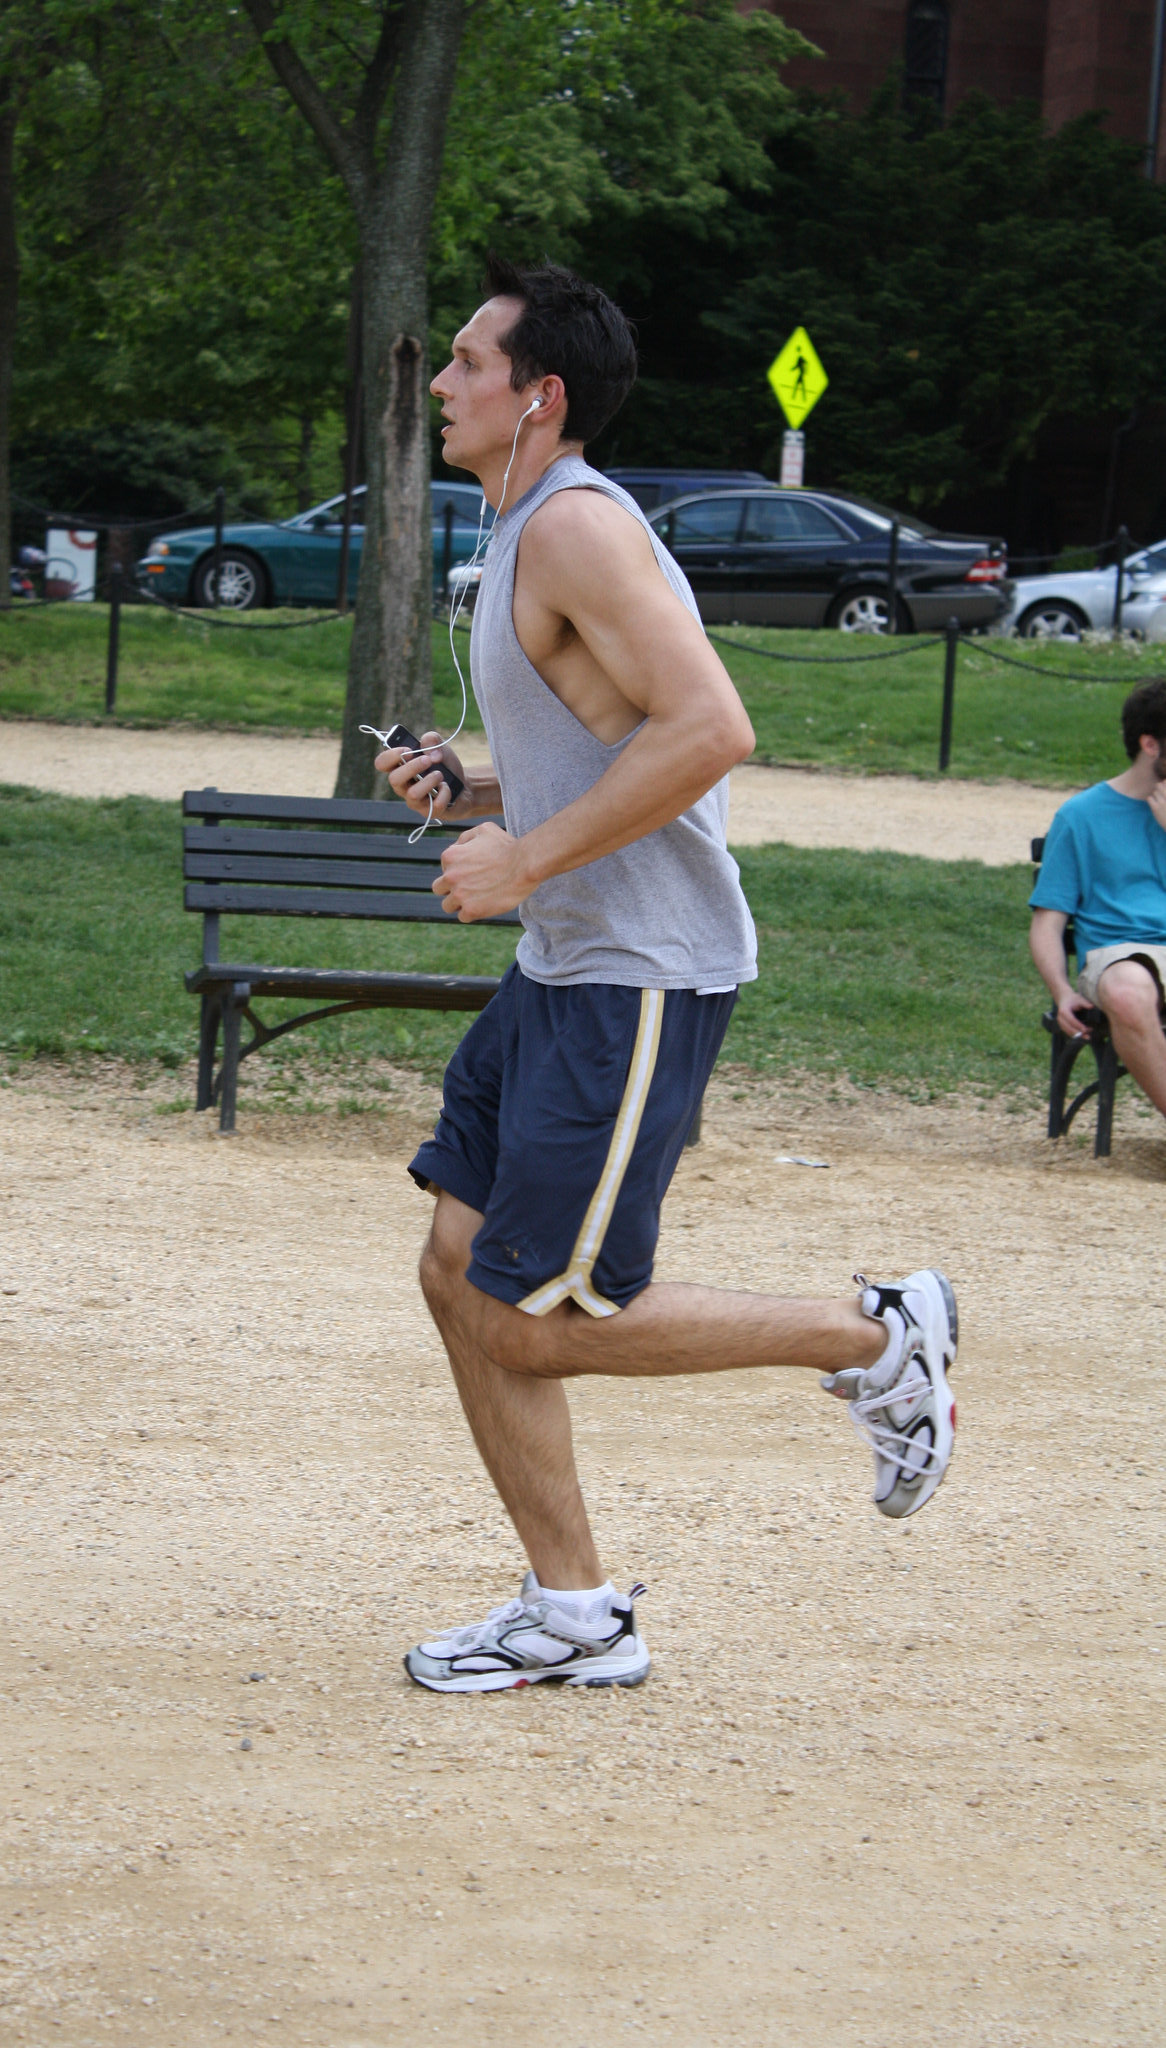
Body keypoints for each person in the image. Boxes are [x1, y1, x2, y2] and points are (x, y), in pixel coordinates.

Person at [377, 257, 957, 1695]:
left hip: (637, 972)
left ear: (538, 396)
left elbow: (709, 727)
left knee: (531, 1315)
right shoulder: (520, 531)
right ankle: (571, 1613)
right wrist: (477, 785)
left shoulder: (574, 529)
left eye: (465, 361)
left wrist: (520, 857)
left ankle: (872, 1340)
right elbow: (610, 735)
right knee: (457, 1275)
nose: (440, 383)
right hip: (562, 965)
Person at [1029, 676, 1166, 1122]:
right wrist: (1062, 990)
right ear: (1150, 744)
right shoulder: (1081, 816)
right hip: (1121, 958)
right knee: (1129, 991)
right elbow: (1048, 923)